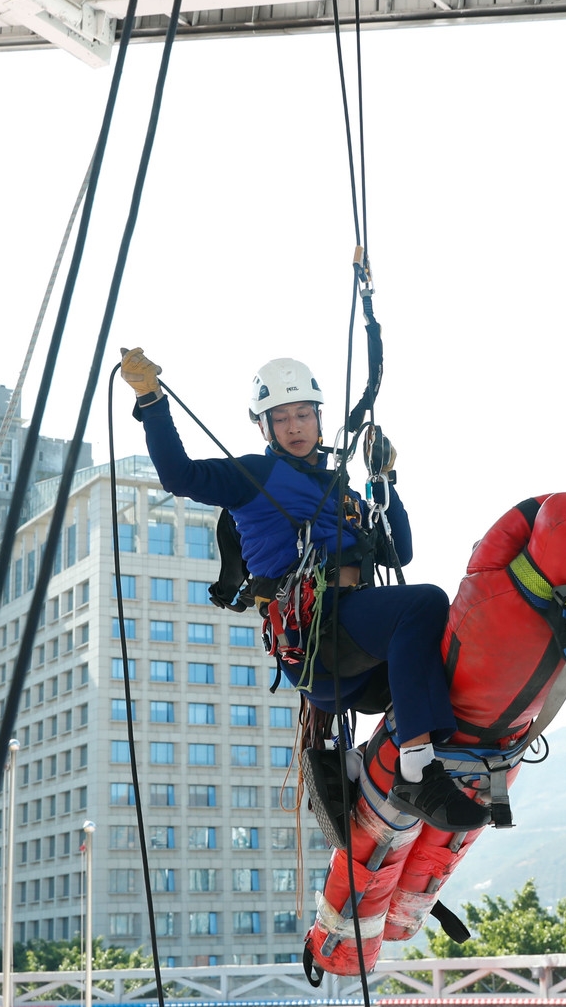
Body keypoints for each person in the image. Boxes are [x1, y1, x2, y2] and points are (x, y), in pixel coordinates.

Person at [118, 348, 488, 832]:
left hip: (355, 642)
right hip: (319, 634)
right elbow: (180, 475)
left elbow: (402, 551)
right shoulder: (252, 476)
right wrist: (151, 400)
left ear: (318, 420)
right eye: (281, 418)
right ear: (264, 428)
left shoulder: (345, 493)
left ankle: (368, 760)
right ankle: (417, 768)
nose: (294, 427)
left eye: (303, 415)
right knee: (425, 602)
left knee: (445, 633)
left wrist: (384, 480)